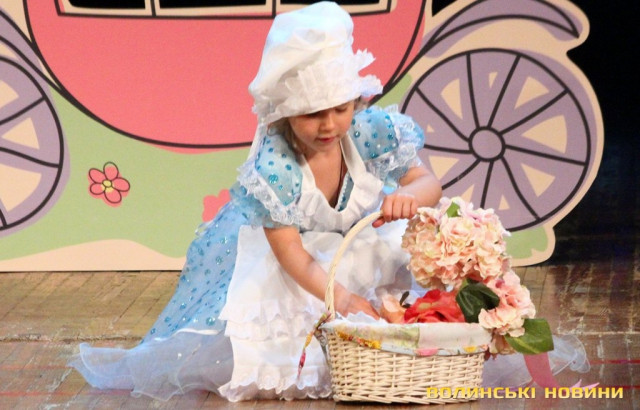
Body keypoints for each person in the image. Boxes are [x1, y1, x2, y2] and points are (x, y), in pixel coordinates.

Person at [69, 1, 442, 402]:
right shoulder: (276, 167)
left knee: (398, 252)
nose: (329, 124)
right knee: (278, 296)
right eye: (311, 114)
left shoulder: (371, 133)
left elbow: (427, 183)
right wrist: (343, 298)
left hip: (354, 241)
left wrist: (408, 196)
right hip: (300, 261)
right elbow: (292, 254)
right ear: (285, 113)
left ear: (356, 101)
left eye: (341, 108)